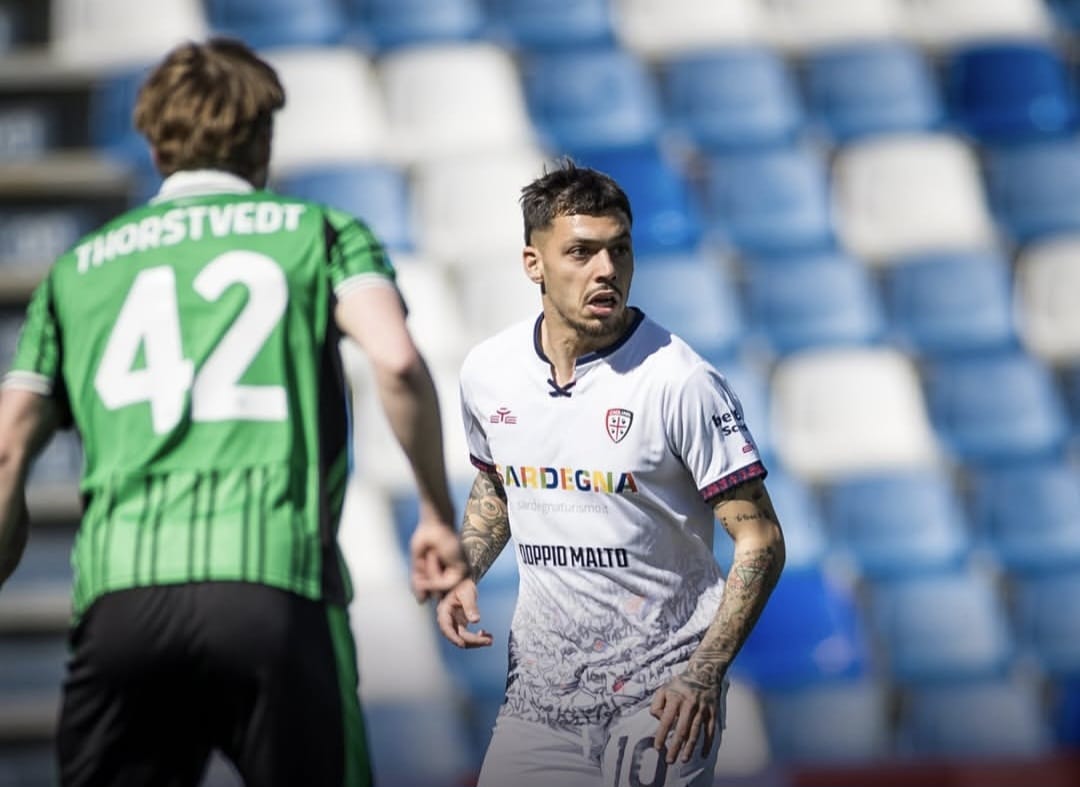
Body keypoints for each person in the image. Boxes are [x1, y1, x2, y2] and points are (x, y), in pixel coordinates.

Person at [0, 38, 467, 787]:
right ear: (262, 139)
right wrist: (437, 514)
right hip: (273, 581)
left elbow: (6, 449)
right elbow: (397, 361)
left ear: (156, 144)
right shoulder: (320, 232)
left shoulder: (75, 270)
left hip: (121, 596)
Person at [436, 160, 786, 787]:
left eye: (619, 249)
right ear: (533, 263)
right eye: (581, 252)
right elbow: (499, 483)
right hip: (537, 703)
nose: (606, 270)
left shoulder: (680, 382)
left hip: (661, 703)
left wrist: (704, 674)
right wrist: (466, 567)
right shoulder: (488, 372)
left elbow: (760, 537)